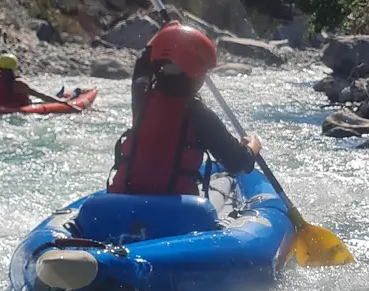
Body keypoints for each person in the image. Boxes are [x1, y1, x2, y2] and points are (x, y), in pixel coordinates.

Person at [108, 23, 261, 195]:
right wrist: (253, 146)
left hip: (122, 200)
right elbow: (238, 163)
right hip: (175, 212)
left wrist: (164, 35)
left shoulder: (142, 96)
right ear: (197, 74)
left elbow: (143, 61)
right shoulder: (200, 116)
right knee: (225, 188)